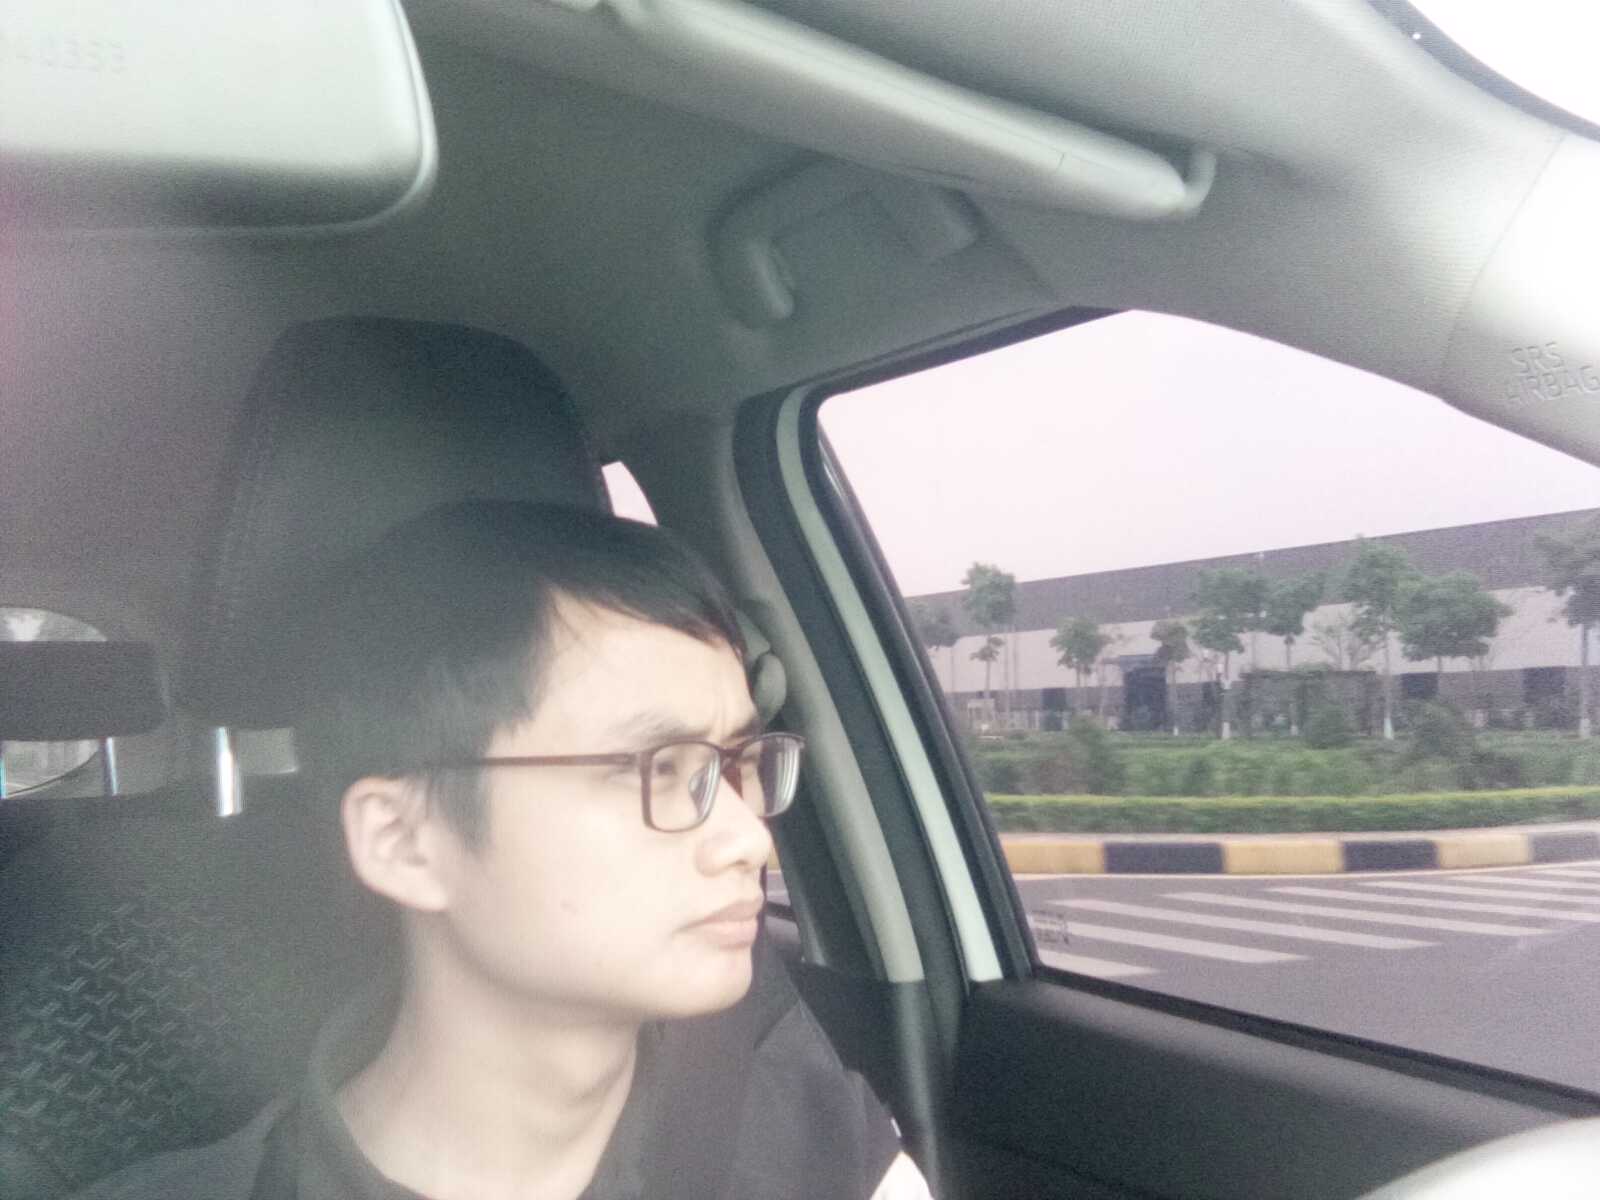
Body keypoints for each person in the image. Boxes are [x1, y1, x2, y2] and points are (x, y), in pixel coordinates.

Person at [75, 500, 932, 1200]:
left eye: (737, 765)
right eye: (656, 768)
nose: (748, 838)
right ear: (405, 841)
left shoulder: (813, 1137)